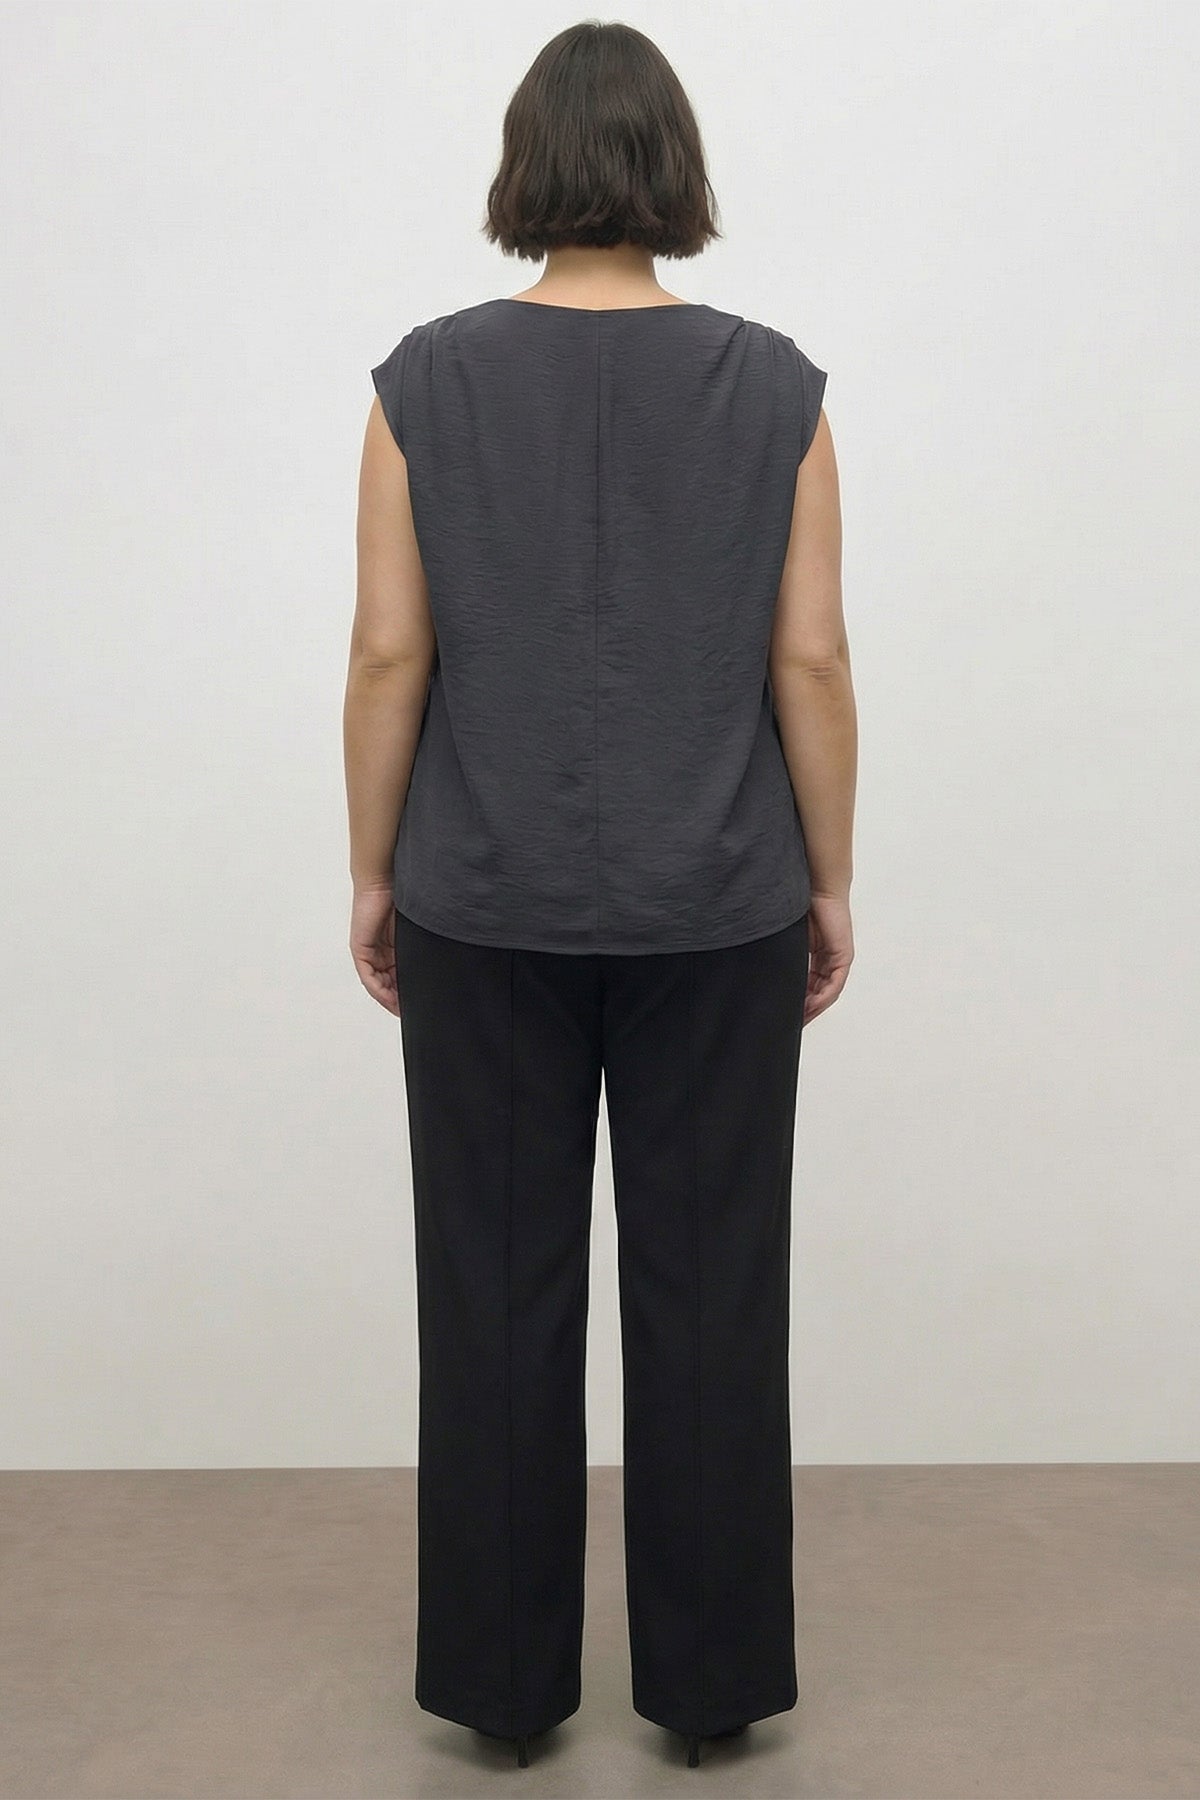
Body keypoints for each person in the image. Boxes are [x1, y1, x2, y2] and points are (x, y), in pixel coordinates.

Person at [343, 18, 856, 1774]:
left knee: (492, 1294)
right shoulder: (776, 387)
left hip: (481, 900)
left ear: (527, 170)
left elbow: (390, 653)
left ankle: (502, 1694)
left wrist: (372, 870)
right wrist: (830, 879)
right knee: (714, 1296)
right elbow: (810, 659)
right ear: (673, 171)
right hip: (720, 900)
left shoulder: (423, 383)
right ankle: (708, 1693)